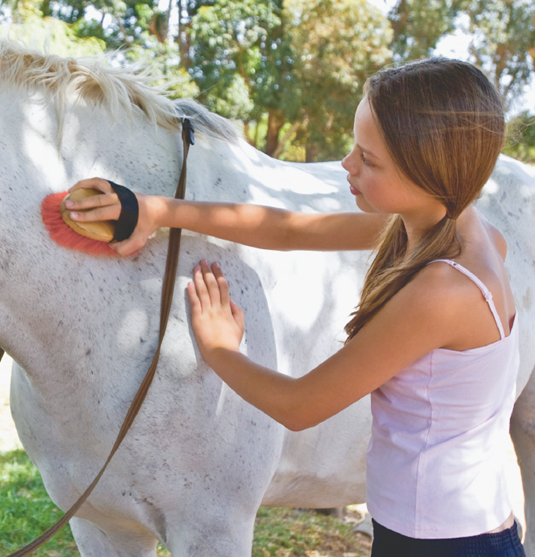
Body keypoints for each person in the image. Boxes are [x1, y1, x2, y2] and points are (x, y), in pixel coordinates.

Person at [64, 58, 523, 556]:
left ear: (429, 172)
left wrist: (221, 350)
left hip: (445, 541)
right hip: (440, 526)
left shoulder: (443, 289)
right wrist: (157, 210)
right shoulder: (456, 229)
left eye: (368, 160)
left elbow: (301, 406)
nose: (347, 164)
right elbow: (286, 229)